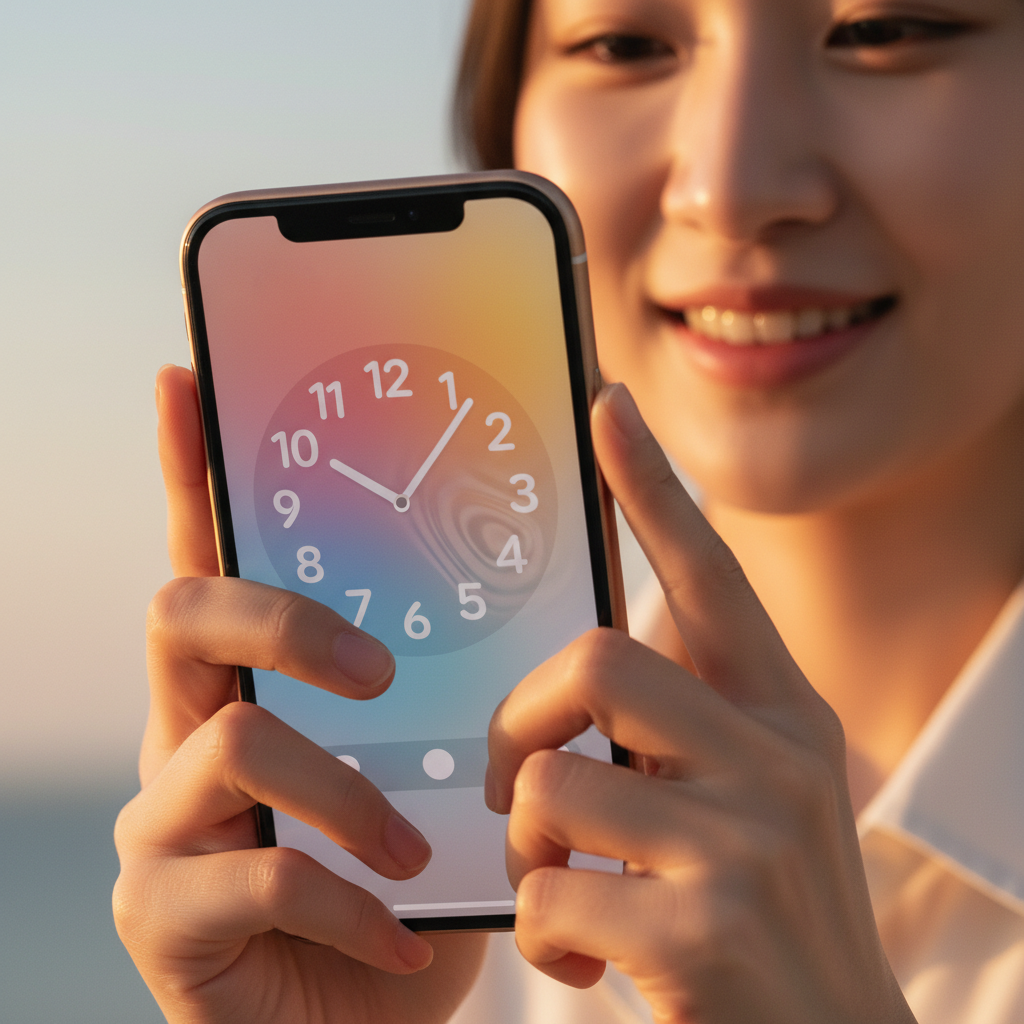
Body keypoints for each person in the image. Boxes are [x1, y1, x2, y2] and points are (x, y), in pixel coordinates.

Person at [113, 0, 1024, 1021]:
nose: (729, 190)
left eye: (883, 30)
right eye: (624, 45)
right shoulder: (411, 909)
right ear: (506, 129)